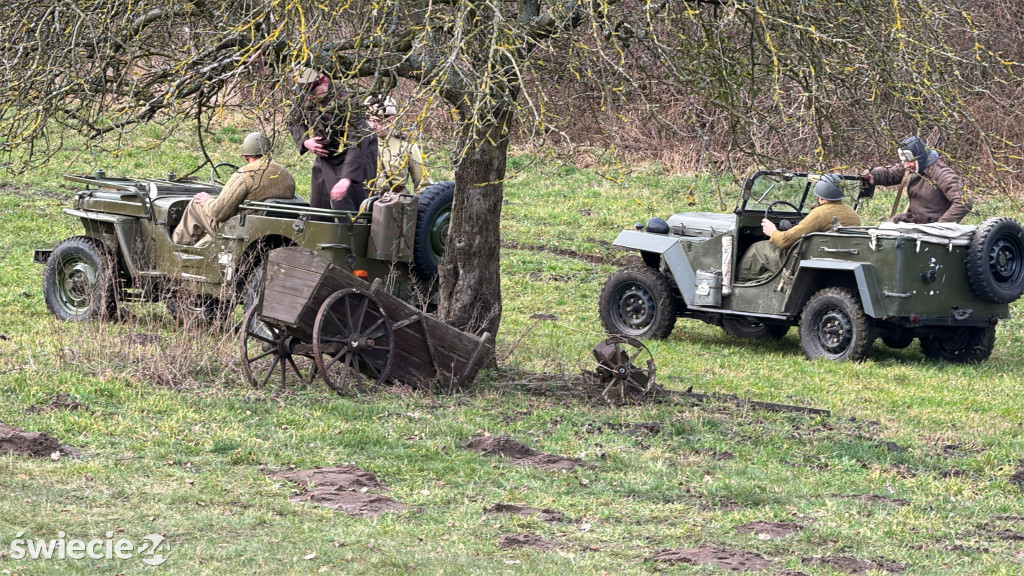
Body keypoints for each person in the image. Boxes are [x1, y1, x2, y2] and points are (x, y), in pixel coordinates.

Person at [172, 132, 295, 246]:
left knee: (196, 204)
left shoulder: (247, 174)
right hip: (270, 229)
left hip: (241, 229)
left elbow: (218, 213)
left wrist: (207, 201)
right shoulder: (285, 173)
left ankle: (177, 248)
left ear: (246, 157)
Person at [738, 174, 861, 282]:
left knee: (757, 248)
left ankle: (742, 285)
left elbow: (785, 240)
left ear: (821, 198)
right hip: (836, 260)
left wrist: (772, 231)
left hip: (802, 262)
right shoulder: (853, 215)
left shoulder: (819, 214)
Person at [288, 68, 378, 210]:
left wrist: (346, 178)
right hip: (327, 154)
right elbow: (294, 121)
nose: (309, 98)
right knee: (318, 204)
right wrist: (305, 141)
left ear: (324, 82)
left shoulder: (346, 99)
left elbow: (359, 137)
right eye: (306, 94)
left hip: (356, 154)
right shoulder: (305, 96)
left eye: (313, 93)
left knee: (348, 204)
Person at [863, 135, 972, 224]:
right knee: (883, 233)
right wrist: (873, 175)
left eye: (909, 161)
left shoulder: (941, 174)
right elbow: (890, 173)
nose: (906, 165)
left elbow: (964, 202)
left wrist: (941, 226)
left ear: (920, 158)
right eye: (904, 161)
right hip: (912, 221)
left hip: (931, 228)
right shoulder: (910, 167)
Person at [365, 95, 431, 195]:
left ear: (390, 120)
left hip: (395, 202)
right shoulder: (362, 143)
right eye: (368, 120)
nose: (371, 125)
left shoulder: (406, 146)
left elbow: (423, 185)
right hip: (365, 202)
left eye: (376, 121)